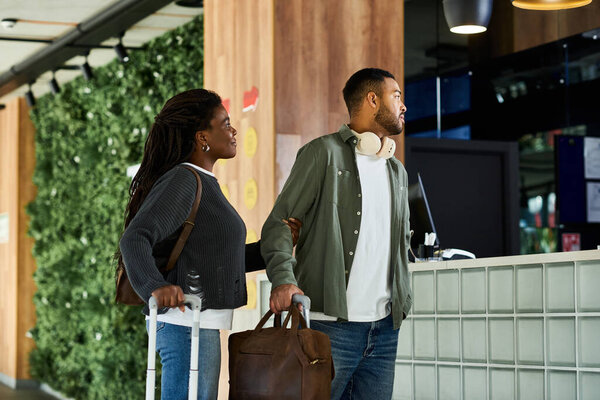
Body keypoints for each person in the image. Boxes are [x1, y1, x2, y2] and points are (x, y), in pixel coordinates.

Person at [117, 89, 300, 400]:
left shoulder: (203, 182)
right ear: (202, 137)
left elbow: (216, 260)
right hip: (184, 325)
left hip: (198, 325)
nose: (233, 130)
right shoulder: (184, 180)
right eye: (225, 123)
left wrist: (275, 245)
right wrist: (154, 286)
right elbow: (134, 238)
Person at [260, 68, 412, 399]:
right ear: (373, 99)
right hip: (330, 326)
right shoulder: (323, 154)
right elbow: (280, 224)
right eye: (396, 96)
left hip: (385, 330)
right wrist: (284, 279)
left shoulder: (396, 170)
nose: (403, 106)